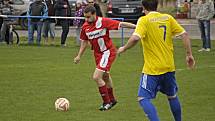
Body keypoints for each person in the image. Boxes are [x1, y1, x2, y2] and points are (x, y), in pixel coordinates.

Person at [117, 0, 195, 121]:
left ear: (143, 7)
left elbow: (135, 38)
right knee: (172, 96)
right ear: (157, 5)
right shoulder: (167, 18)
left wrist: (124, 48)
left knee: (142, 98)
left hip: (152, 69)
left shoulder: (144, 20)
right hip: (169, 67)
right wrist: (189, 54)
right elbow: (184, 34)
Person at [74, 5, 136, 111]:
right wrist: (79, 55)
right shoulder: (85, 27)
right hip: (98, 55)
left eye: (88, 17)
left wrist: (137, 26)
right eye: (85, 17)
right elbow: (84, 42)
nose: (86, 19)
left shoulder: (103, 21)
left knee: (96, 77)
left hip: (107, 52)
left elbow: (121, 24)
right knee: (105, 77)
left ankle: (106, 102)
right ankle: (112, 100)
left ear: (94, 14)